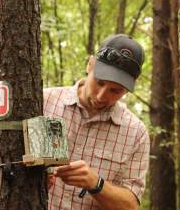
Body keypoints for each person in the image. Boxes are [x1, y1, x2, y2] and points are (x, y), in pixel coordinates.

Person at [44, 34, 150, 210]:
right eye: (99, 83)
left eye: (115, 91)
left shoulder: (136, 133)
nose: (102, 96)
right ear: (90, 64)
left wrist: (96, 184)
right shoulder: (44, 102)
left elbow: (130, 205)